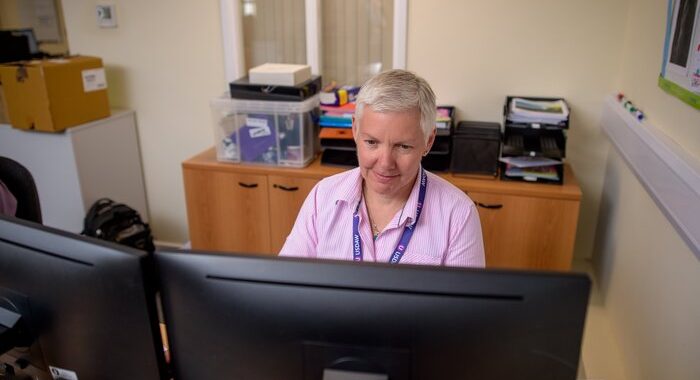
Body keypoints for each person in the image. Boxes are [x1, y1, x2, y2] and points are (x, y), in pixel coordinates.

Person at [279, 69, 485, 267]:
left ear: (428, 141)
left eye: (403, 146)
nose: (385, 163)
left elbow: (467, 304)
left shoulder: (458, 215)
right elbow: (285, 286)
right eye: (371, 143)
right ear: (355, 130)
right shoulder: (322, 197)